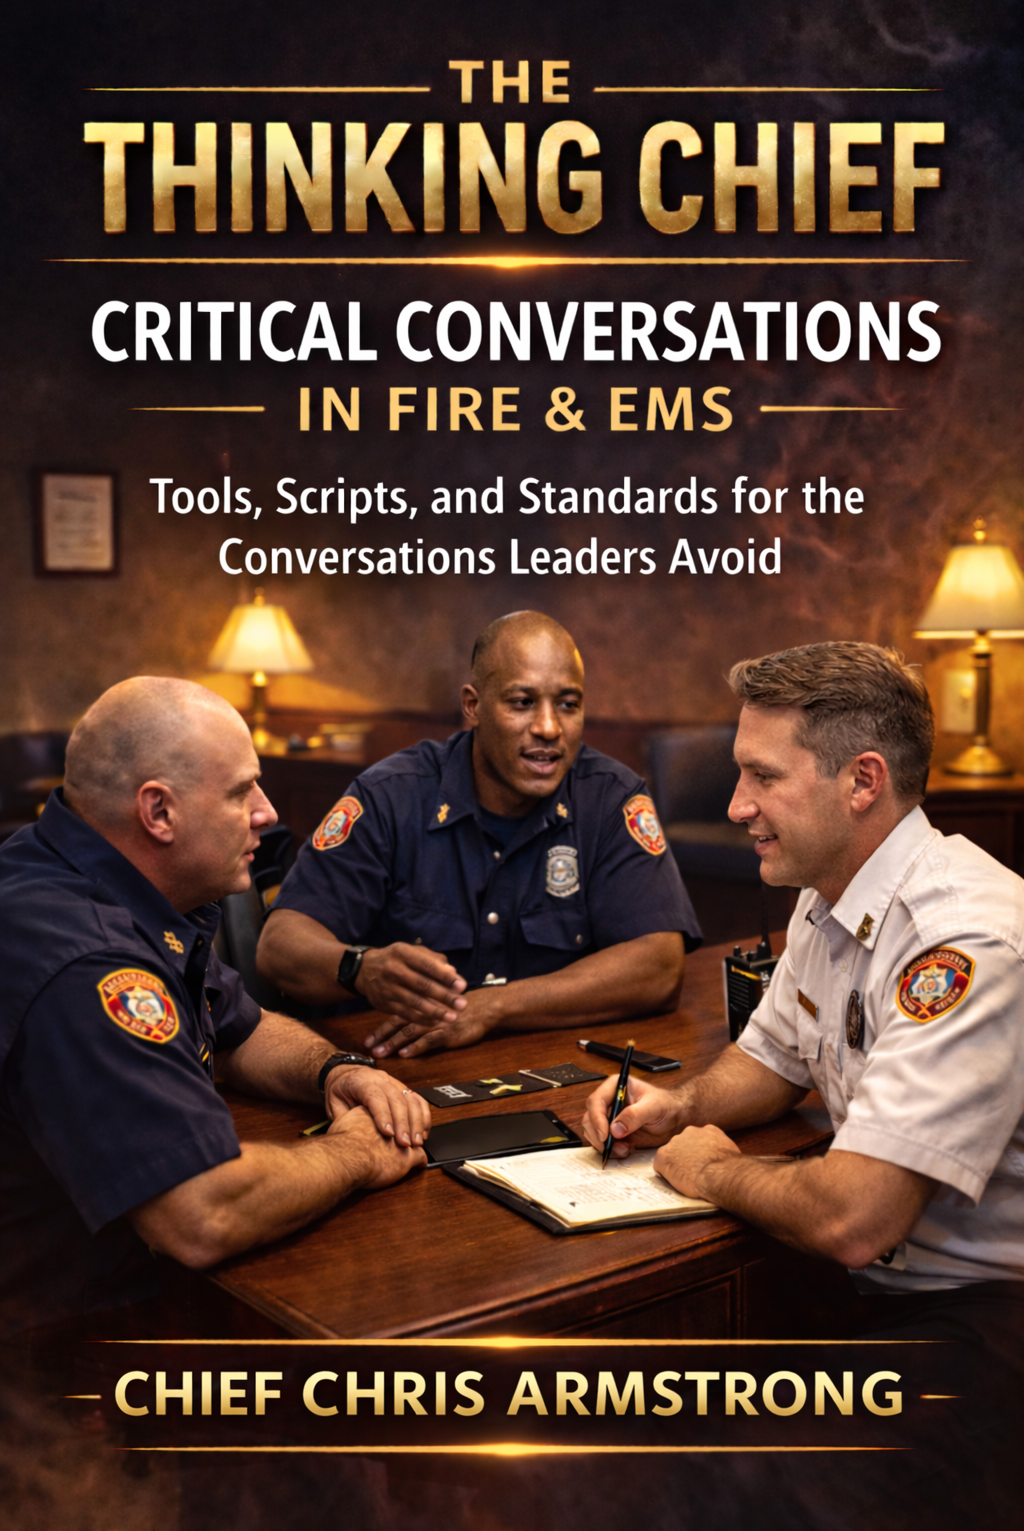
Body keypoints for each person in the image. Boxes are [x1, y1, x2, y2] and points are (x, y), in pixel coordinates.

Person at [582, 640, 1024, 1524]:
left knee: (713, 1483)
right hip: (873, 1290)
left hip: (987, 1315)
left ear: (862, 781)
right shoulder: (830, 891)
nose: (737, 804)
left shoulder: (967, 940)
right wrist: (680, 1108)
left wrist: (708, 1169)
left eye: (761, 776)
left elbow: (853, 1218)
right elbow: (773, 1056)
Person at [0, 678, 430, 1337]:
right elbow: (201, 1214)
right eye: (240, 792)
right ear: (159, 813)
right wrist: (355, 1156)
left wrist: (342, 1071)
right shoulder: (87, 961)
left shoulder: (110, 883)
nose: (266, 812)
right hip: (57, 1357)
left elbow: (240, 1029)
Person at [257, 611, 701, 1059]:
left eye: (568, 703)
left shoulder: (609, 798)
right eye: (522, 702)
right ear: (473, 706)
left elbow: (659, 966)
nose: (549, 727)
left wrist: (491, 1008)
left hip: (550, 1067)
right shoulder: (391, 796)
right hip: (396, 1074)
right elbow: (279, 947)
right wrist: (360, 968)